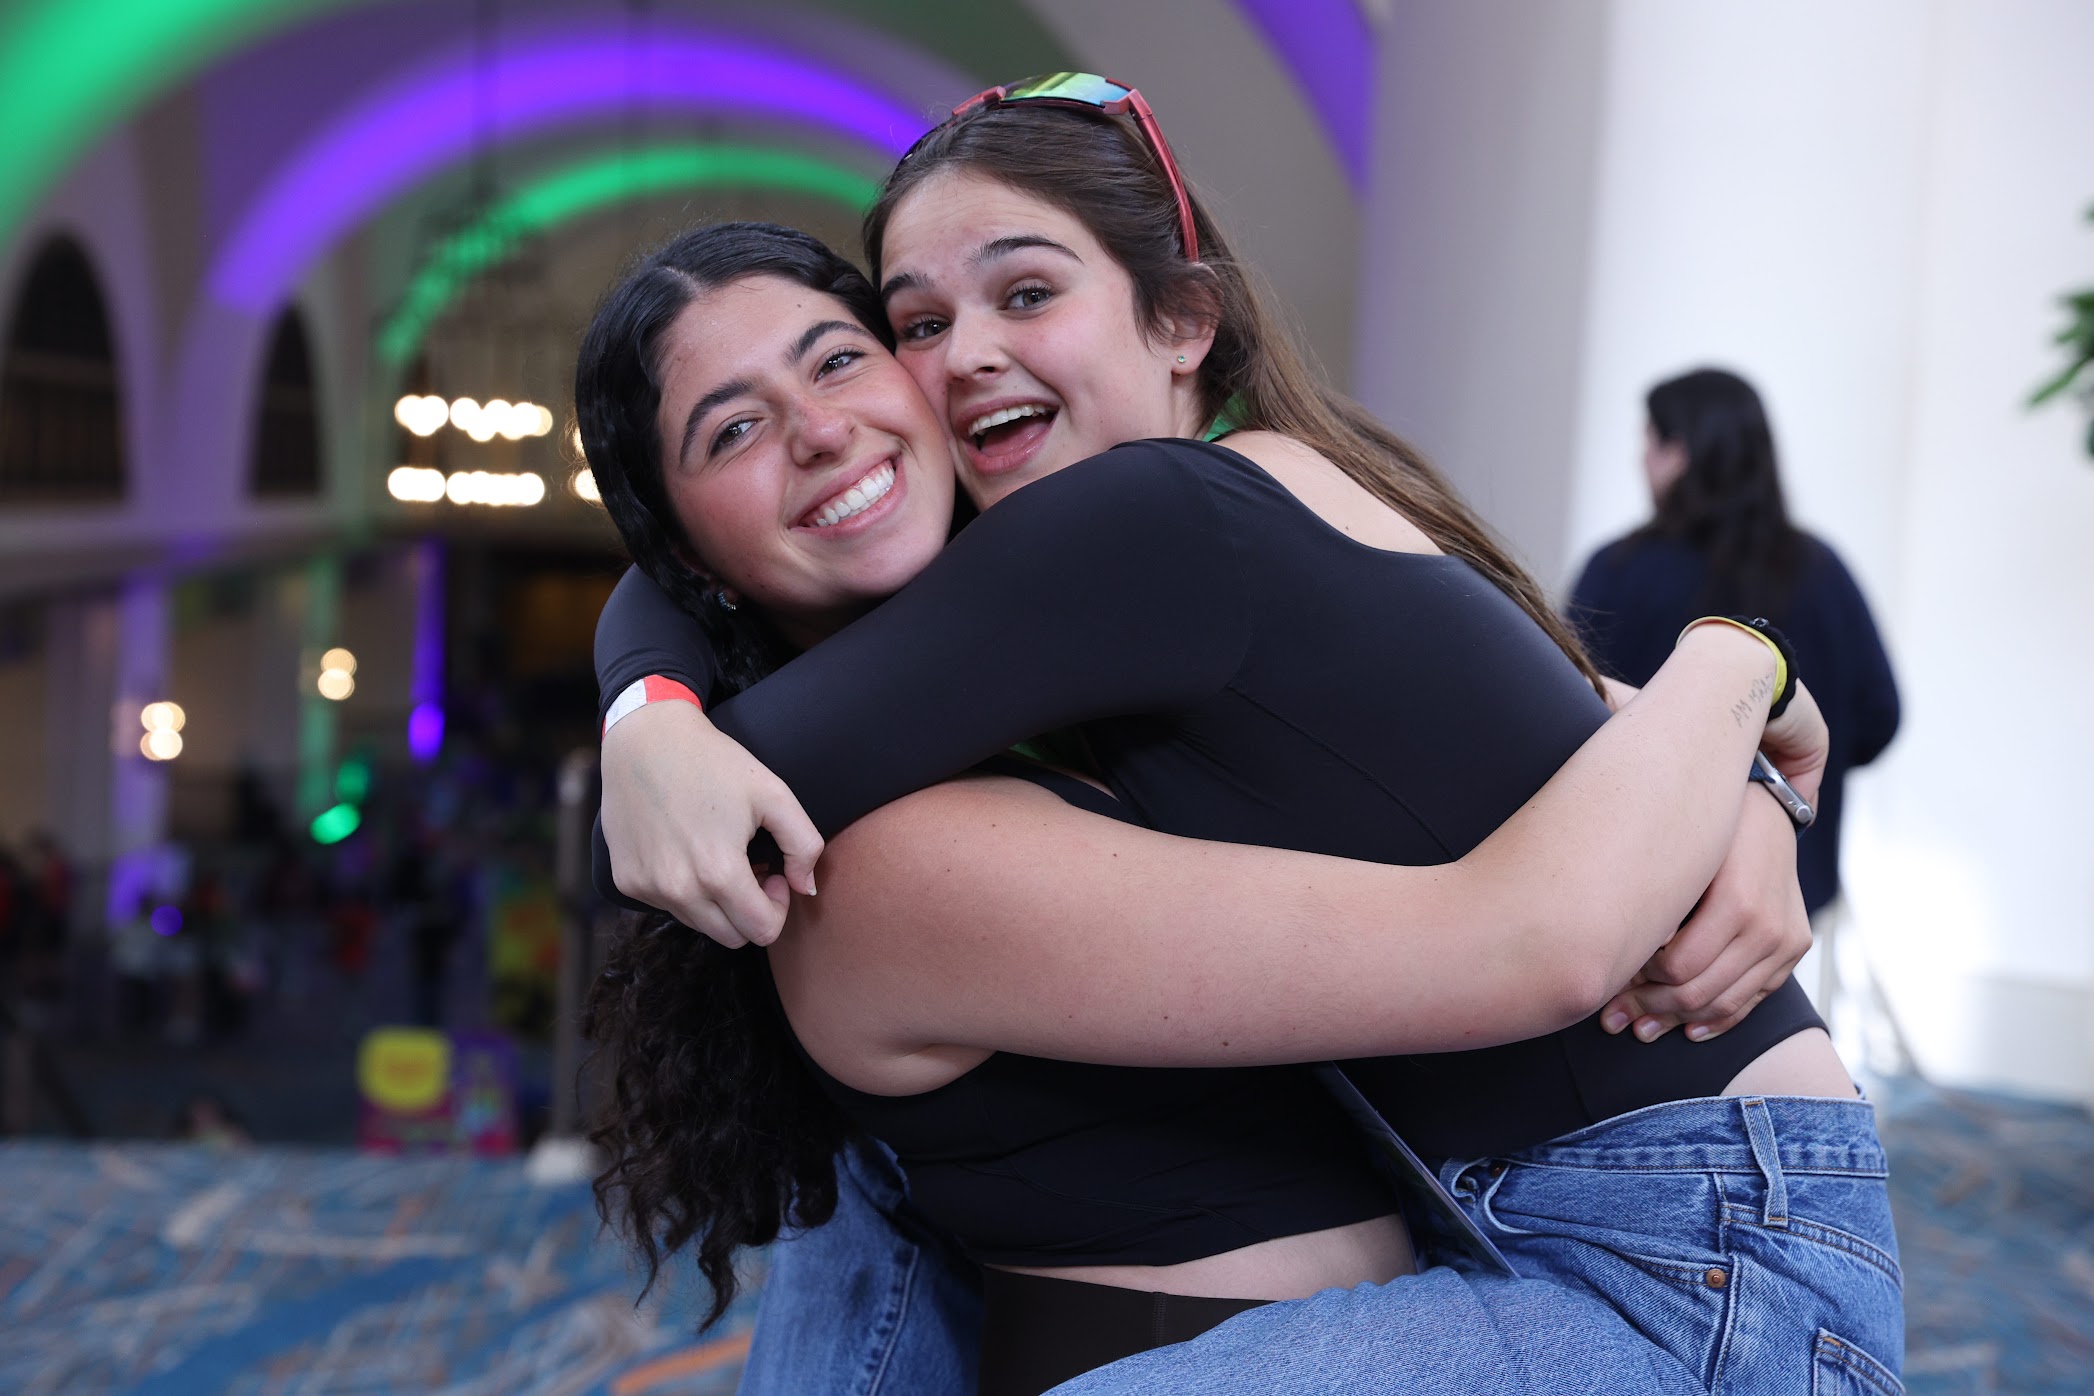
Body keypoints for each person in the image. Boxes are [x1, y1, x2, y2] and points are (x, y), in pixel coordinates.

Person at [584, 79, 1898, 1394]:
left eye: (1026, 293)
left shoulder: (1141, 521)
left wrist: (649, 719)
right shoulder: (1163, 543)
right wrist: (1738, 721)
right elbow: (1583, 720)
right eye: (919, 323)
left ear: (1183, 320)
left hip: (1694, 1249)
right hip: (1609, 1215)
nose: (965, 354)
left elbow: (712, 794)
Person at [1571, 367, 1901, 921]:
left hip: (1636, 893)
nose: (1640, 461)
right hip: (1786, 890)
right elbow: (1880, 718)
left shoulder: (1618, 570)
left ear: (1678, 452)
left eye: (1649, 443)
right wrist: (1788, 773)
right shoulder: (1822, 571)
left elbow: (1567, 706)